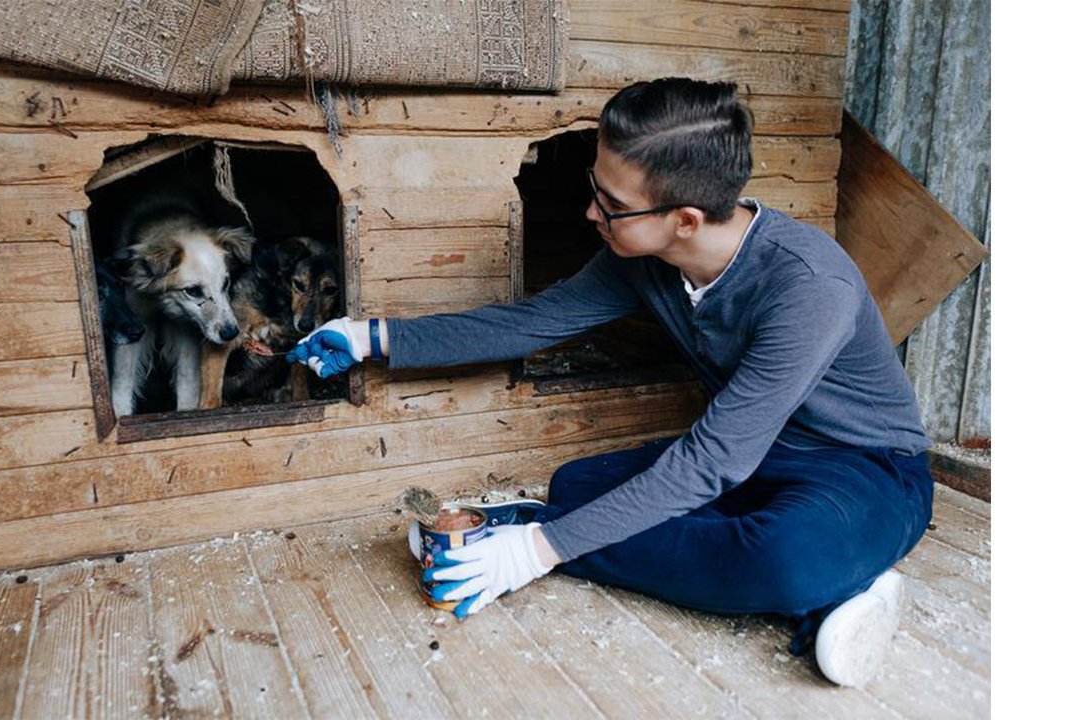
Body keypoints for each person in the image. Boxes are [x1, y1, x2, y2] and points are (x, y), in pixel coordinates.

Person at [287, 77, 933, 688]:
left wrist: (537, 552)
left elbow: (712, 458)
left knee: (784, 562)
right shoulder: (643, 256)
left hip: (866, 468)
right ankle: (822, 571)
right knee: (579, 486)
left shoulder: (808, 286)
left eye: (613, 205)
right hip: (758, 458)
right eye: (597, 186)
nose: (591, 211)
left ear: (685, 219)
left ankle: (823, 589)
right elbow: (532, 323)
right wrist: (373, 337)